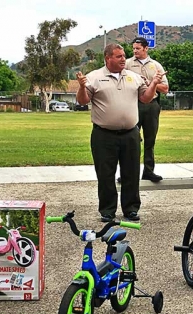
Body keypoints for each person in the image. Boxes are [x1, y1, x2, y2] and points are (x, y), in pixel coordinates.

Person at [76, 43, 165, 222]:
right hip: (104, 134)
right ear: (108, 58)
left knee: (131, 172)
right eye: (119, 56)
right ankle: (108, 210)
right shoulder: (94, 77)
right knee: (105, 173)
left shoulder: (134, 77)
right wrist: (81, 86)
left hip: (130, 133)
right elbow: (83, 100)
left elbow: (146, 98)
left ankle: (130, 208)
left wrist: (154, 83)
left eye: (124, 55)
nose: (124, 59)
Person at [125, 37, 169, 182]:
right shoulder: (127, 64)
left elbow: (165, 89)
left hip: (151, 106)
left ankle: (148, 172)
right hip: (133, 104)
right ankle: (129, 173)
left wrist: (152, 83)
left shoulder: (156, 66)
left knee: (150, 140)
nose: (135, 51)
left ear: (146, 48)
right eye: (133, 48)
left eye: (138, 48)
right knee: (131, 140)